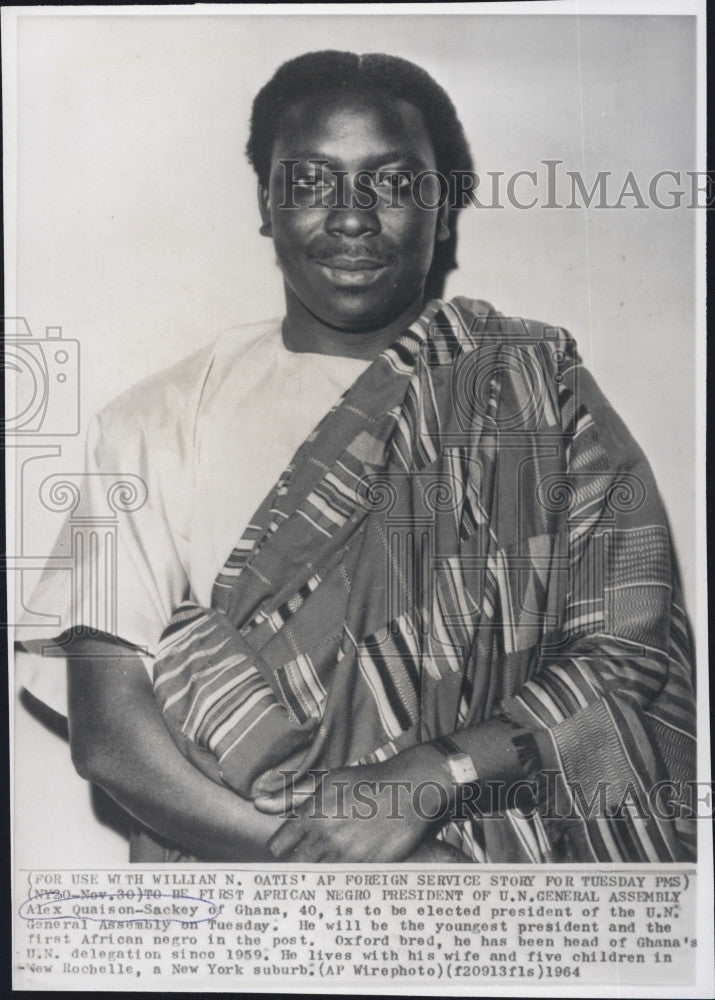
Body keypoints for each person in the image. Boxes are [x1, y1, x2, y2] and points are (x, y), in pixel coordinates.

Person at [18, 50, 696, 864]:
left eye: (394, 182)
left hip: (507, 905)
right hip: (239, 909)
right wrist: (349, 865)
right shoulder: (141, 424)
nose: (349, 216)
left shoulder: (540, 393)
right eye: (308, 182)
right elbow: (109, 737)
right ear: (265, 204)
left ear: (441, 209)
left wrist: (435, 773)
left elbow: (628, 661)